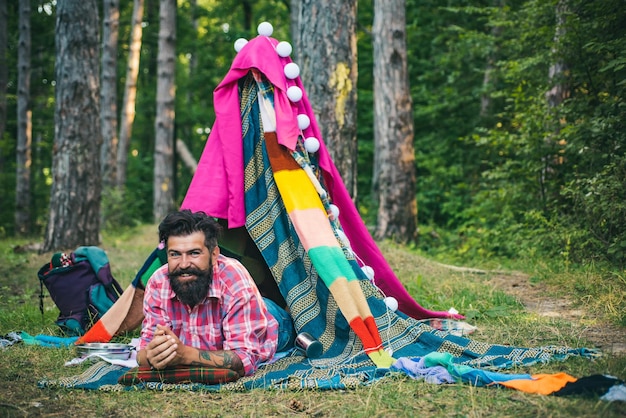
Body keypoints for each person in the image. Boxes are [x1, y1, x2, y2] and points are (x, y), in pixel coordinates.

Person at [137, 210, 287, 377]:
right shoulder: (158, 282)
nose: (184, 264)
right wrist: (153, 355)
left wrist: (185, 355)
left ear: (214, 254)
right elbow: (144, 352)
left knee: (283, 323)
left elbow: (244, 359)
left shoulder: (233, 279)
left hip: (271, 323)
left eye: (194, 253)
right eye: (175, 254)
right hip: (229, 320)